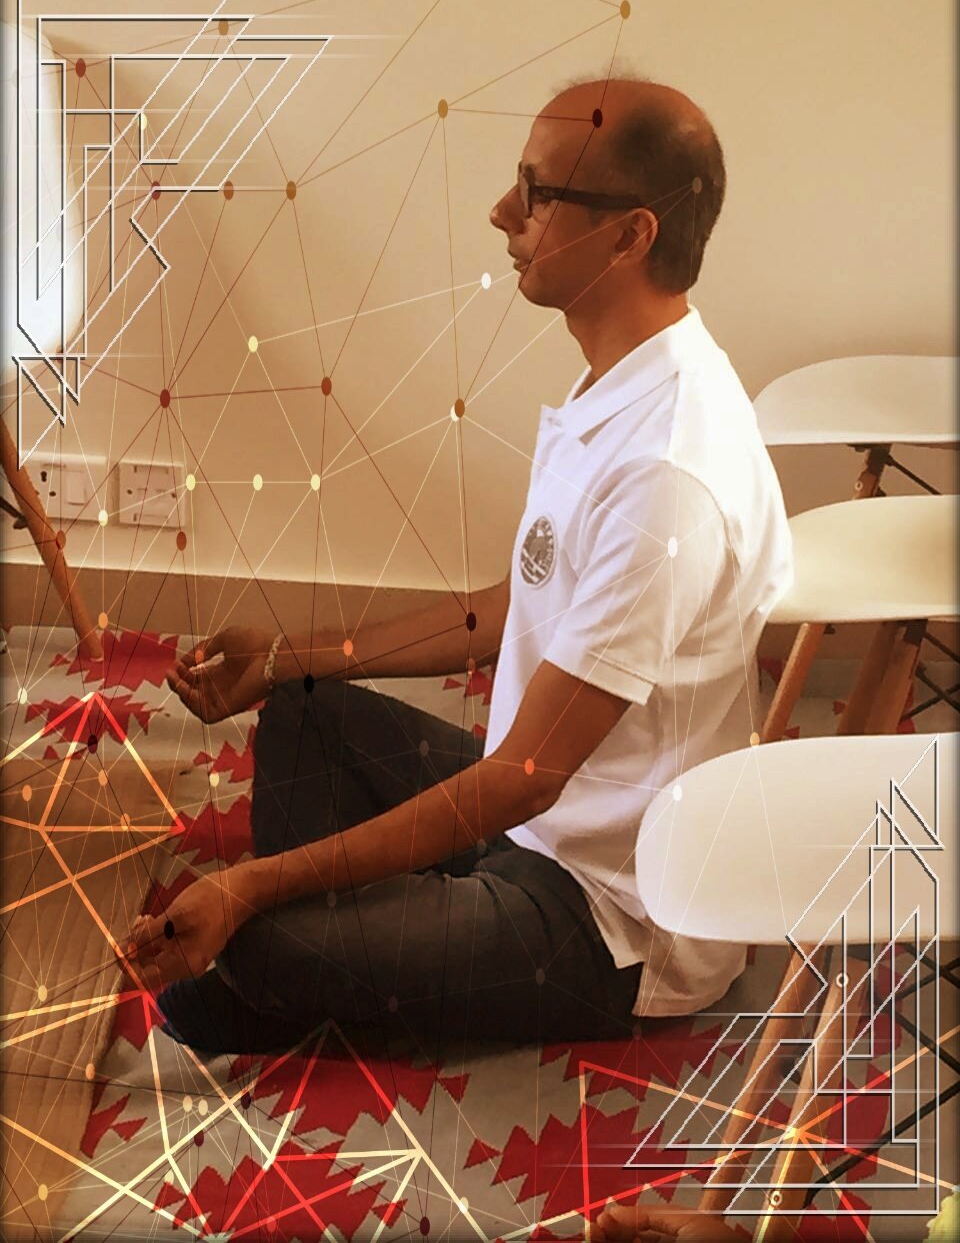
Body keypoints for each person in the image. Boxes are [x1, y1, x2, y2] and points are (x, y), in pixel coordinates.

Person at [122, 75, 793, 1056]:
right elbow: (514, 602)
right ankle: (350, 948)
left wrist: (254, 886)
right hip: (540, 816)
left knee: (234, 962)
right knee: (303, 705)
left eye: (537, 191)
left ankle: (311, 962)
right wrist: (283, 658)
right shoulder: (627, 379)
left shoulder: (667, 475)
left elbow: (523, 778)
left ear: (629, 237)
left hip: (608, 913)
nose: (502, 211)